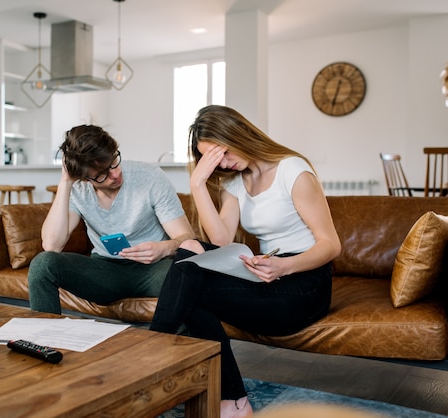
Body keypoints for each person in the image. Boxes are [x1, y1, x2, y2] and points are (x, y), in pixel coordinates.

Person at [149, 105, 341, 418]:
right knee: (190, 249)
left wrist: (284, 266)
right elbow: (221, 239)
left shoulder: (293, 171)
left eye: (221, 154)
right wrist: (197, 185)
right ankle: (235, 403)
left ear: (235, 134)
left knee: (191, 287)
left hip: (305, 283)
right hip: (267, 275)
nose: (223, 164)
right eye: (212, 160)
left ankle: (151, 351)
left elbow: (331, 245)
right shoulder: (235, 182)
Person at [28, 124, 195, 314]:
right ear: (85, 179)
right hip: (104, 271)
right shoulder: (78, 189)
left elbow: (186, 237)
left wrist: (164, 248)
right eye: (102, 175)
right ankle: (43, 340)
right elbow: (52, 245)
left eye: (114, 161)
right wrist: (65, 182)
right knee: (43, 264)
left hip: (153, 268)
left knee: (189, 273)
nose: (115, 174)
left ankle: (187, 342)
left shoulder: (151, 177)